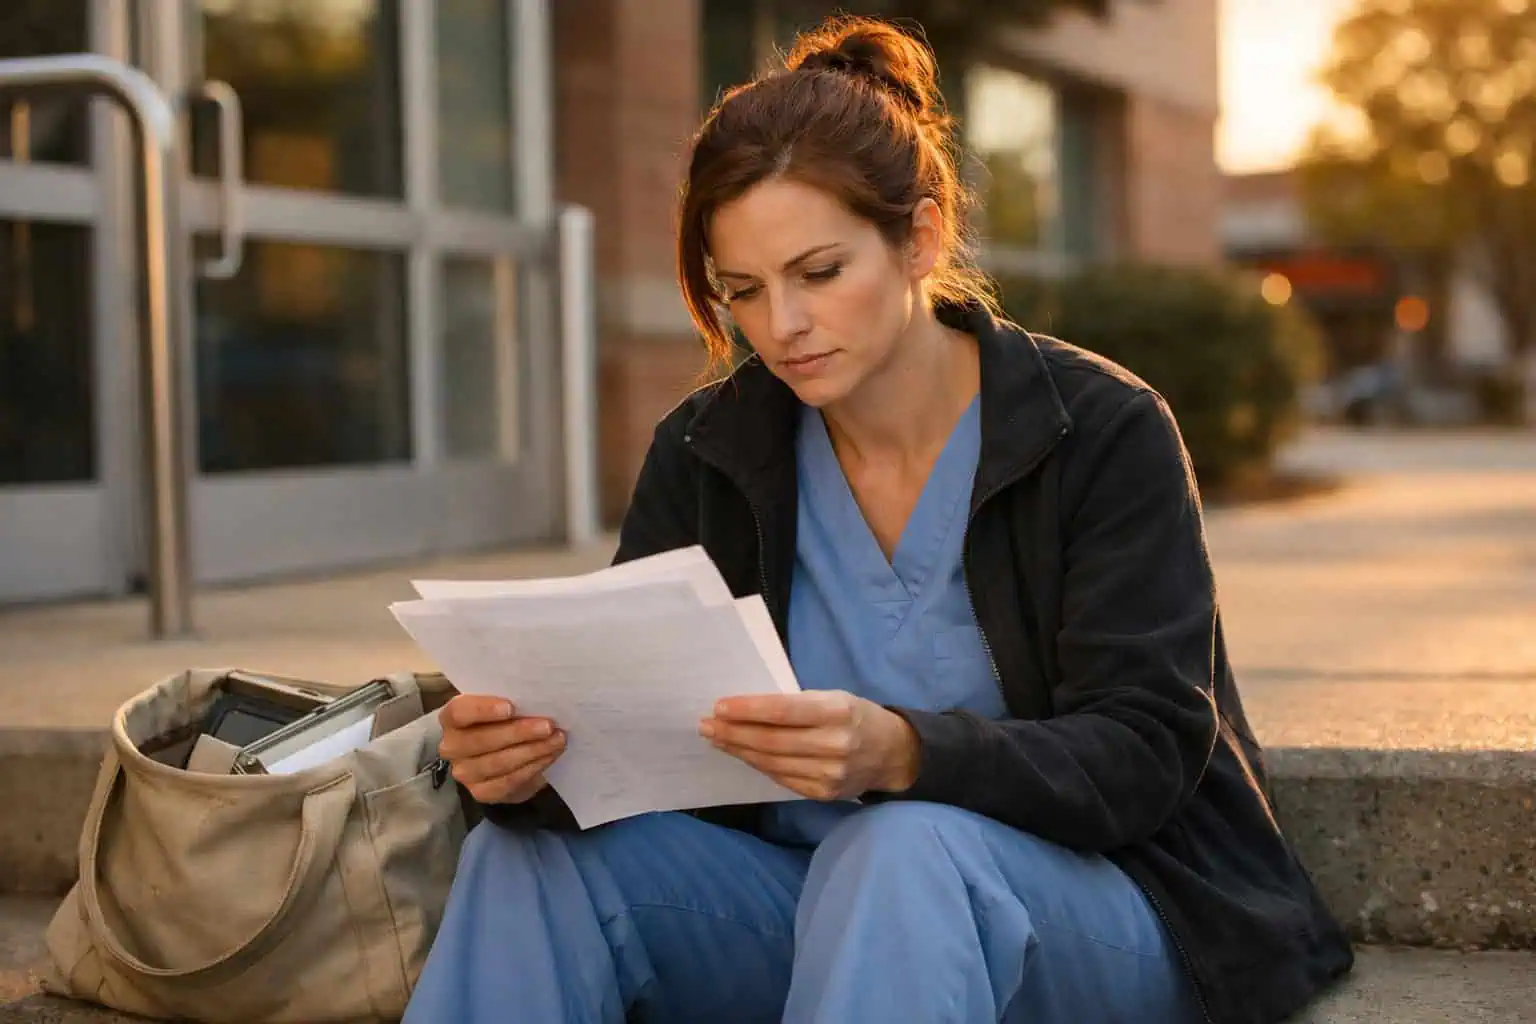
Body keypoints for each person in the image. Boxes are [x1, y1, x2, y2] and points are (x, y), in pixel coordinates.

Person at [406, 16, 1353, 1024]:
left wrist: (904, 752)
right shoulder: (709, 448)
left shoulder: (1099, 428)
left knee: (902, 846)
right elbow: (635, 745)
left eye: (819, 273)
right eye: (743, 291)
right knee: (525, 859)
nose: (781, 327)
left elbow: (1146, 751)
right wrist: (521, 770)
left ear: (921, 239)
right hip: (807, 907)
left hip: (1095, 907)